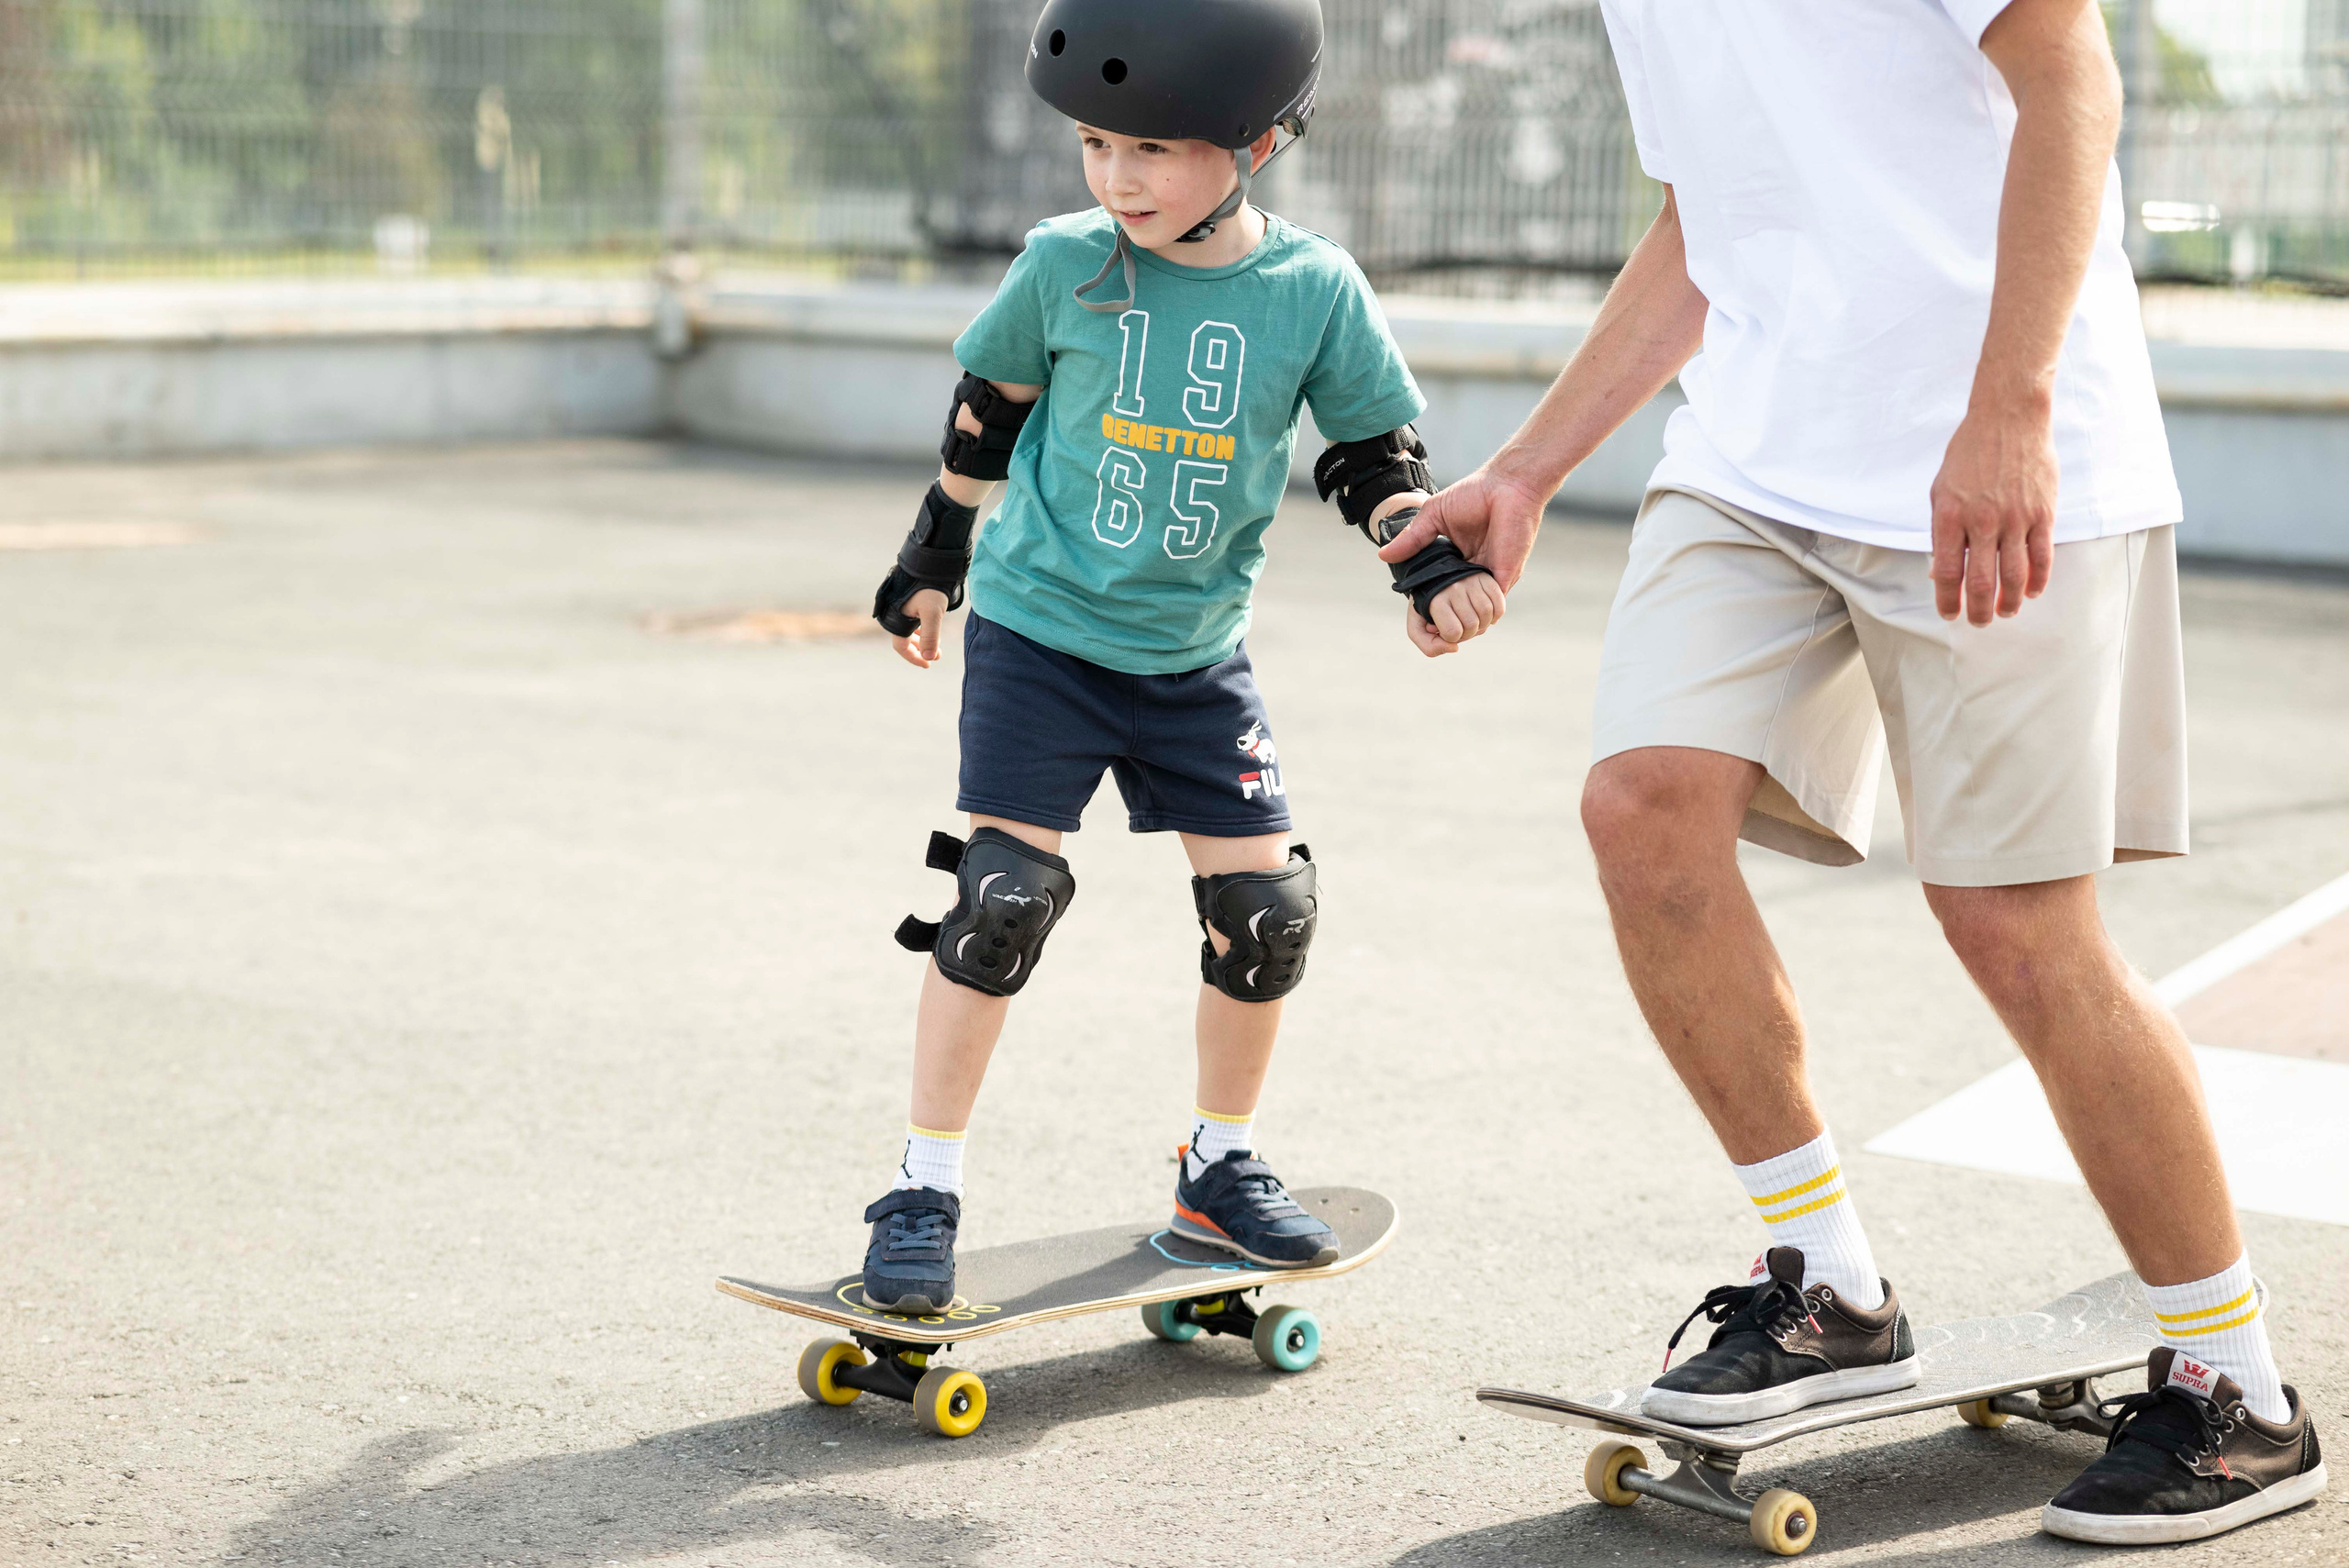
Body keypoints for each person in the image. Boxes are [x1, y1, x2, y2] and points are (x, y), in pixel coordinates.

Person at [1384, 0, 2326, 1544]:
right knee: (1642, 806)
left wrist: (2010, 404)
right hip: (1761, 456)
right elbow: (1712, 217)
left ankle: (2239, 1387)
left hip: (2012, 458)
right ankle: (1827, 1284)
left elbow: (2070, 72)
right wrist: (1532, 467)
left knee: (2018, 925)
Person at [856, 0, 1505, 1318]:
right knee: (1001, 898)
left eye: (1153, 149)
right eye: (1098, 143)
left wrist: (1427, 565)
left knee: (1267, 916)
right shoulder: (1064, 264)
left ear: (1255, 143)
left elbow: (1372, 458)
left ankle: (1219, 1163)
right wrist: (932, 563)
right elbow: (987, 418)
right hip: (1042, 634)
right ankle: (923, 1185)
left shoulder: (1312, 288)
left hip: (1196, 656)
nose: (1118, 178)